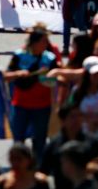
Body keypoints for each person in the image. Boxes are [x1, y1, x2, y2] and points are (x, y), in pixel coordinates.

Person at [4, 25, 58, 160]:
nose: (46, 44)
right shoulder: (19, 56)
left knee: (40, 140)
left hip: (42, 105)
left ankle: (37, 168)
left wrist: (54, 76)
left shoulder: (50, 58)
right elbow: (5, 76)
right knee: (18, 139)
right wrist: (18, 73)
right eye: (43, 41)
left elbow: (58, 77)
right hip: (21, 104)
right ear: (34, 42)